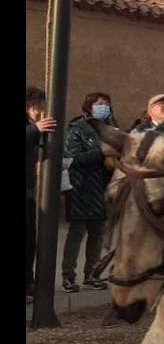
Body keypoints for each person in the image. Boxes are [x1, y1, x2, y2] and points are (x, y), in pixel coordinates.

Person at [62, 92, 120, 292]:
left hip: (105, 188)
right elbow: (72, 159)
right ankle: (68, 276)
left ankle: (92, 274)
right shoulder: (77, 129)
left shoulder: (112, 129)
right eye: (99, 104)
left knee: (98, 234)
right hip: (82, 188)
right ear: (89, 107)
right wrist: (101, 153)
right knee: (77, 233)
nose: (104, 107)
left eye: (107, 103)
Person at [26, 87, 56, 300]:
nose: (42, 112)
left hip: (28, 192)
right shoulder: (32, 127)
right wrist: (34, 129)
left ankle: (29, 283)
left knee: (30, 242)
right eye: (39, 107)